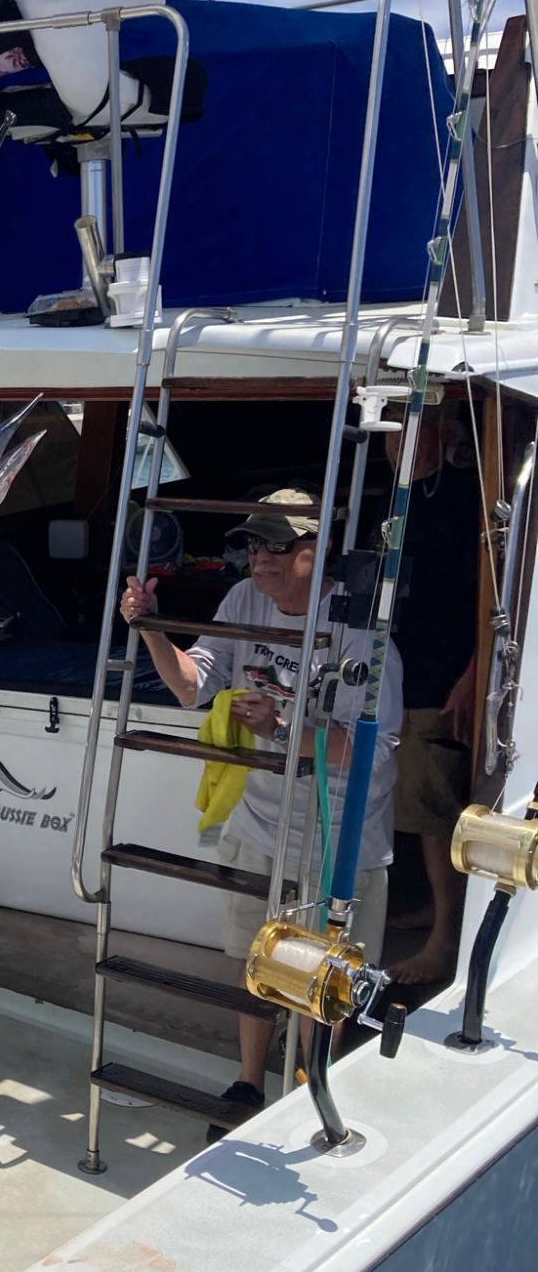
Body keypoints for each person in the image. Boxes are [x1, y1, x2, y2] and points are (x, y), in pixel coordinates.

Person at [120, 489, 402, 1129]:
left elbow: (375, 756)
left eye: (278, 545)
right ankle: (249, 1083)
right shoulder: (243, 601)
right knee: (258, 962)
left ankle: (314, 1091)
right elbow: (194, 687)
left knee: (324, 984)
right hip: (261, 823)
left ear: (315, 551)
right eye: (254, 544)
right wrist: (153, 628)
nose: (261, 559)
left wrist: (279, 727)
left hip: (339, 840)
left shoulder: (361, 630)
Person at [385, 401, 483, 987]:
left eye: (411, 424)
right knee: (404, 806)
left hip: (438, 676)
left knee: (434, 813)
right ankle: (428, 912)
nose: (397, 440)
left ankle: (445, 943)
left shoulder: (467, 497)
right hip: (389, 673)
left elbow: (499, 597)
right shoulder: (388, 502)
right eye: (391, 427)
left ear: (442, 431)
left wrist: (473, 674)